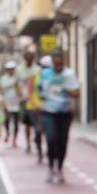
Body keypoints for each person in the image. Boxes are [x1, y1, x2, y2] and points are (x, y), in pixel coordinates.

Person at [38, 51, 80, 184]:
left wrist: (65, 90)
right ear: (52, 63)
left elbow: (77, 93)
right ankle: (51, 168)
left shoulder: (69, 74)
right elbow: (39, 90)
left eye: (60, 64)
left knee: (62, 142)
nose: (58, 67)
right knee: (51, 139)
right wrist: (42, 98)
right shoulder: (45, 74)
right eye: (56, 64)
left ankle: (60, 168)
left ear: (64, 62)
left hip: (65, 113)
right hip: (49, 112)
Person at [17, 50, 45, 160]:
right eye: (27, 58)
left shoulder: (37, 69)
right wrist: (20, 93)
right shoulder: (19, 69)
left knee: (39, 127)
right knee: (27, 125)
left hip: (38, 102)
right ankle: (28, 143)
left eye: (31, 58)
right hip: (25, 100)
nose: (29, 59)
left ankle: (37, 141)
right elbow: (17, 83)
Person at [0, 61, 23, 148]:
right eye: (9, 69)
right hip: (6, 103)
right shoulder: (3, 79)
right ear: (7, 70)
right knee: (6, 120)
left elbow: (20, 92)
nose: (11, 70)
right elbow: (1, 90)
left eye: (12, 69)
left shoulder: (18, 78)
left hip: (16, 103)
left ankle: (14, 140)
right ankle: (7, 133)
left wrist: (17, 87)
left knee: (16, 122)